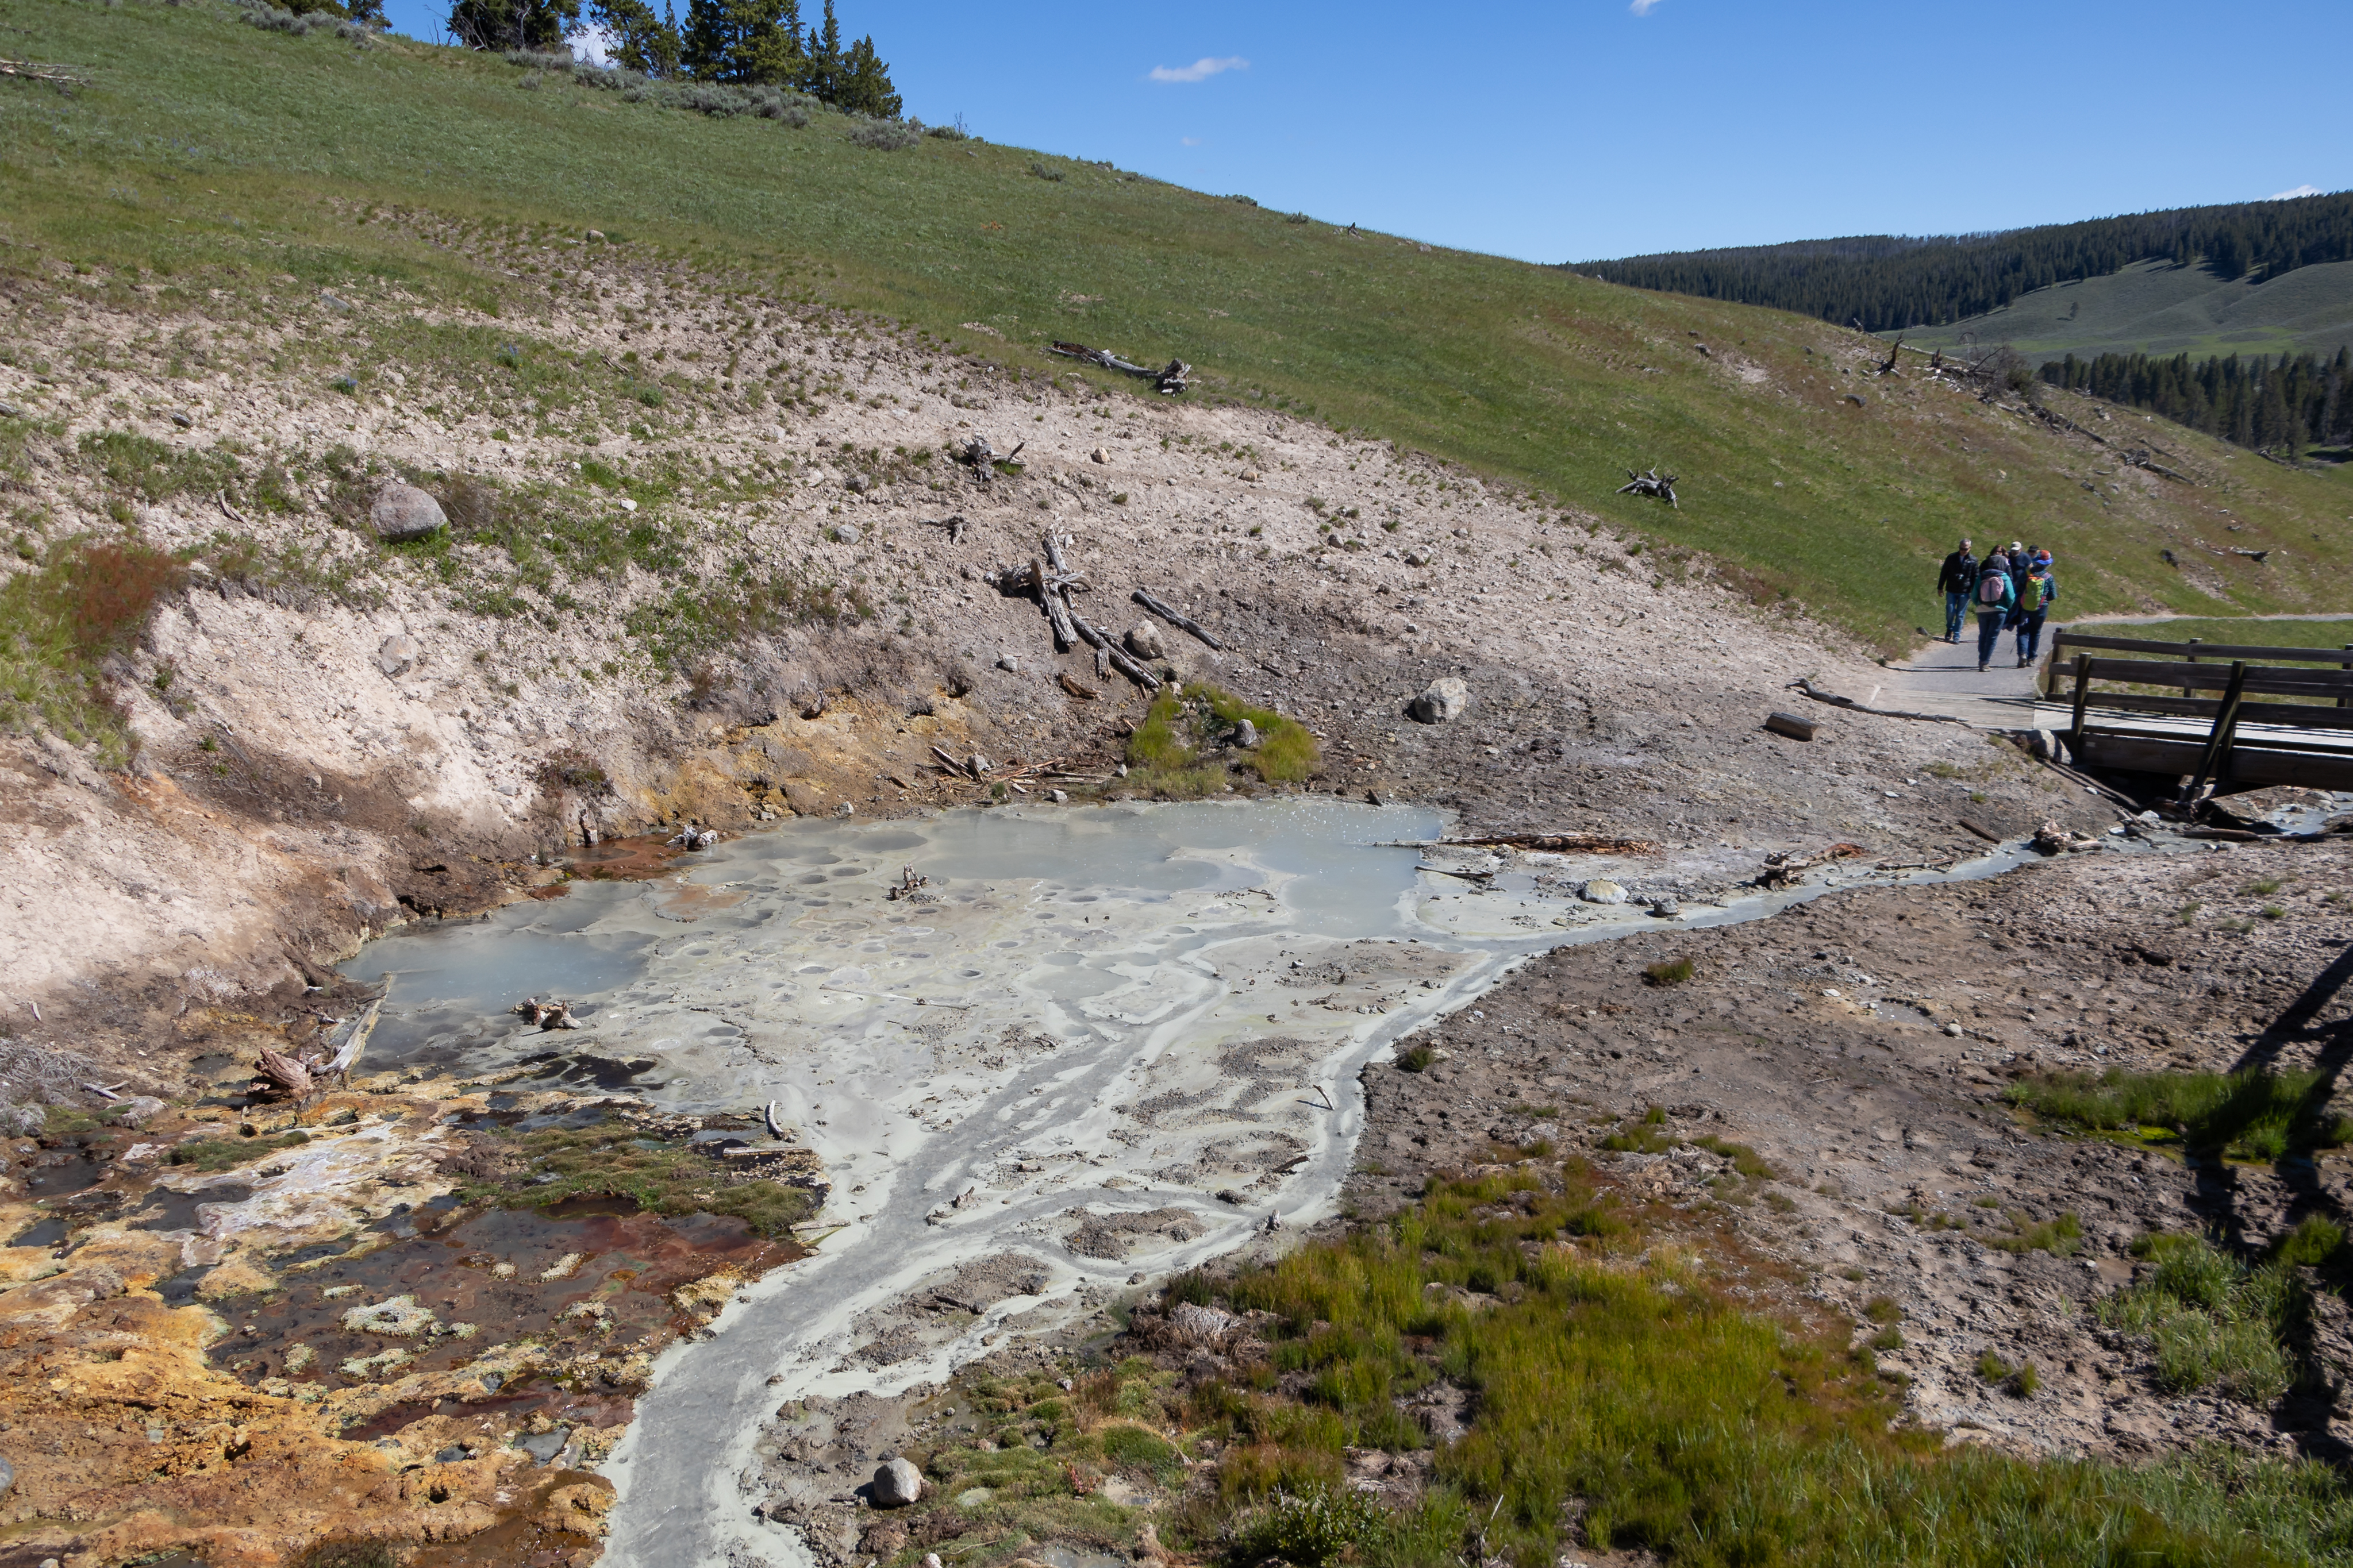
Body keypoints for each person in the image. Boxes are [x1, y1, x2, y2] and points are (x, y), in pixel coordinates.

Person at [1973, 552, 2014, 672]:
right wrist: (2008, 607)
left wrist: (1979, 604)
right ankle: (1985, 662)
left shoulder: (1982, 576)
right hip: (1999, 610)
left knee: (1983, 635)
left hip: (1982, 610)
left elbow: (1974, 594)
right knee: (1992, 636)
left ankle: (1982, 658)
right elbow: (2011, 596)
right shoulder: (2005, 577)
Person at [2014, 553, 2057, 667]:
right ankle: (2031, 659)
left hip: (2025, 606)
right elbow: (2053, 596)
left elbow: (2018, 588)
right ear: (2047, 564)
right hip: (2041, 607)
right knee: (2036, 632)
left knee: (2022, 631)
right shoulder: (2049, 577)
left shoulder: (2027, 573)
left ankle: (2022, 654)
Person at [1935, 538, 1977, 644]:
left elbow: (1975, 577)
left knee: (1960, 615)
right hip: (1951, 589)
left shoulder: (1973, 560)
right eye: (1961, 548)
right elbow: (1944, 573)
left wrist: (1974, 592)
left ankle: (1957, 635)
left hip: (1965, 591)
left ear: (1970, 548)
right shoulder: (1951, 558)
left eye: (1965, 549)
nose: (1963, 551)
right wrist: (1940, 587)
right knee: (1950, 611)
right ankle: (1950, 628)